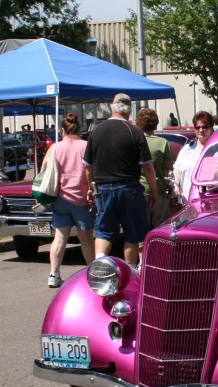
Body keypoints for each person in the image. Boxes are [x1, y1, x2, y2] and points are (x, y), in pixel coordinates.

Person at [83, 93, 157, 267]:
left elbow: (88, 167)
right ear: (129, 110)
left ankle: (100, 265)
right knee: (132, 234)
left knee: (103, 232)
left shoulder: (96, 131)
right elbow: (147, 167)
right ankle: (130, 270)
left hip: (103, 189)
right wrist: (154, 191)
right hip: (129, 188)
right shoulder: (135, 132)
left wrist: (91, 187)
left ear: (112, 107)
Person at [46, 113, 96, 287]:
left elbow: (45, 169)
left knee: (59, 238)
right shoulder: (86, 146)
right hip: (82, 198)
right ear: (79, 128)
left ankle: (54, 274)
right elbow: (91, 169)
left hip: (61, 197)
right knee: (86, 239)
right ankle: (93, 274)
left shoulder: (55, 148)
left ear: (62, 130)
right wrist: (91, 189)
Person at [172, 111, 218, 201]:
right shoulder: (187, 149)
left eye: (204, 127)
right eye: (197, 127)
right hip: (187, 201)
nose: (200, 130)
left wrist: (215, 172)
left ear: (211, 129)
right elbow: (177, 169)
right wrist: (176, 184)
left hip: (213, 201)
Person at [136, 108, 175, 227]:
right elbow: (169, 166)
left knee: (141, 227)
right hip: (159, 189)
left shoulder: (135, 140)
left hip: (140, 189)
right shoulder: (162, 142)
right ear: (156, 123)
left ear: (138, 123)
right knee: (161, 227)